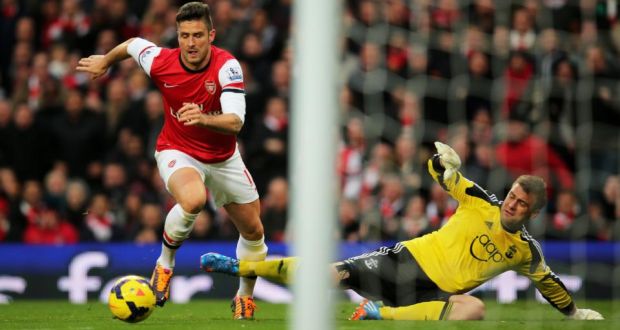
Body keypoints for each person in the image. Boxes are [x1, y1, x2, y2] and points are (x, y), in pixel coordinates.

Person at [200, 142, 604, 321]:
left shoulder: (525, 251)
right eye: (513, 195)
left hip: (435, 296)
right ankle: (243, 268)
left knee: (475, 310)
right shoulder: (481, 200)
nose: (512, 204)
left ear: (532, 212)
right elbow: (440, 174)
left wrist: (572, 312)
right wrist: (442, 161)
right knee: (330, 274)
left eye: (521, 204)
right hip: (405, 261)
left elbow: (548, 283)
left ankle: (380, 314)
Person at [76, 2, 267, 319]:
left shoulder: (227, 66)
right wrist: (106, 61)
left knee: (254, 232)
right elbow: (134, 44)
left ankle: (243, 298)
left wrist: (203, 119)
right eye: (184, 35)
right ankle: (165, 264)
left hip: (223, 157)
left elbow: (236, 121)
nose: (191, 43)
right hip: (177, 149)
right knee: (193, 200)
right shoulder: (162, 61)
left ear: (211, 35)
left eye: (197, 35)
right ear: (177, 36)